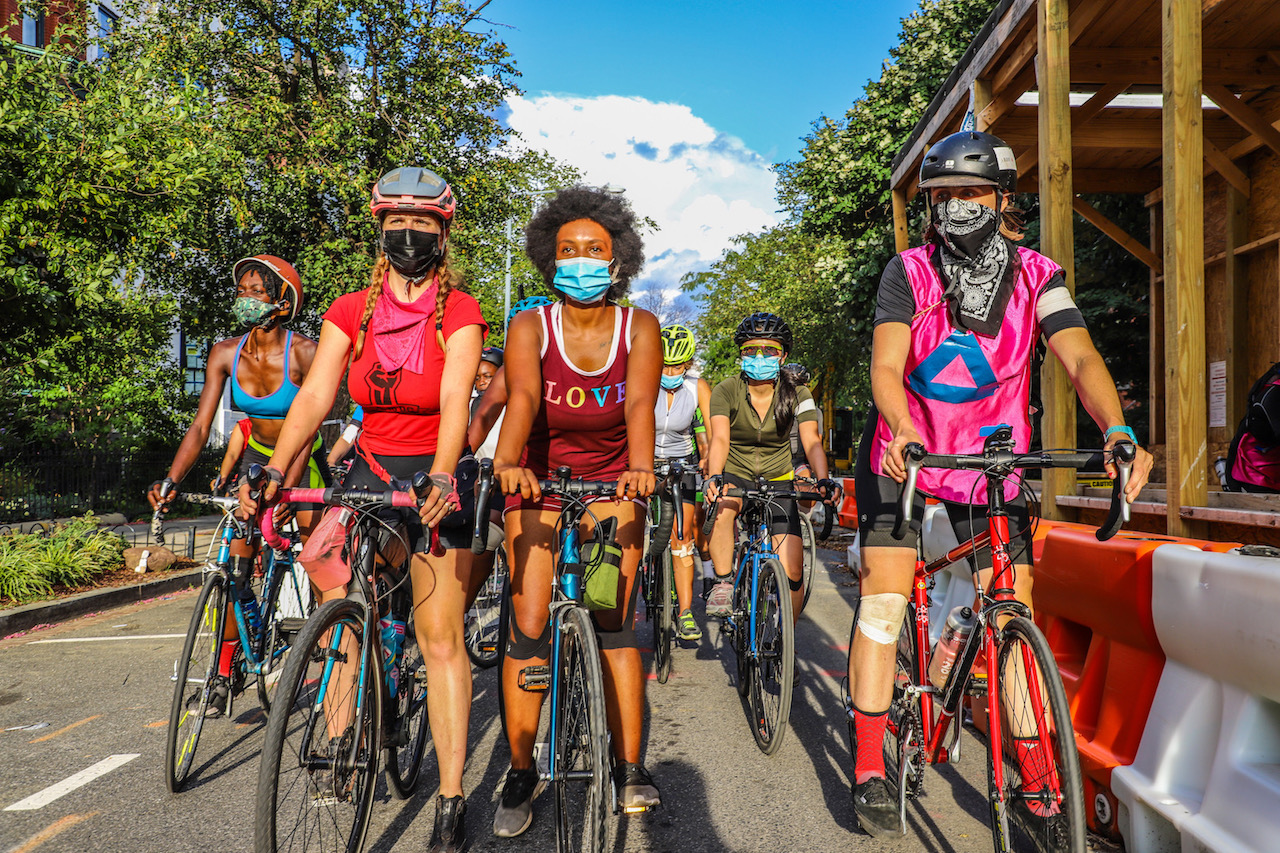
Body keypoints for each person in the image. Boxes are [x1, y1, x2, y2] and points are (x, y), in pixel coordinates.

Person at [846, 130, 1154, 837]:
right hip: (908, 453)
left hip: (990, 460)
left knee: (1011, 608)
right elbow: (888, 369)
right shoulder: (909, 272)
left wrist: (1115, 428)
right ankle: (868, 766)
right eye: (944, 195)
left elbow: (1078, 355)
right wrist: (903, 429)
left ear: (1000, 198)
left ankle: (1040, 788)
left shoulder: (1038, 275)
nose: (957, 207)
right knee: (886, 602)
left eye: (972, 194)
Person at [238, 166, 486, 853]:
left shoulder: (460, 311)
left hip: (432, 477)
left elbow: (456, 398)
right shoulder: (350, 310)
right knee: (343, 609)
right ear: (380, 230)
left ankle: (450, 796)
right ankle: (344, 737)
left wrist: (441, 473)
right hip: (367, 468)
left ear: (443, 232)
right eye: (396, 224)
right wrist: (275, 468)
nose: (409, 236)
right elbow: (315, 396)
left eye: (424, 225)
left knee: (440, 638)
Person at [490, 186, 662, 836]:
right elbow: (525, 397)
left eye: (595, 250)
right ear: (549, 260)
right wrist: (509, 461)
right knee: (530, 615)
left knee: (615, 616)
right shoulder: (531, 325)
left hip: (615, 477)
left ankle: (629, 767)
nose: (582, 260)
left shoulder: (638, 326)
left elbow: (641, 404)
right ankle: (520, 767)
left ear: (617, 259)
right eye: (569, 251)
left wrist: (640, 469)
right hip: (538, 479)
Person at [148, 254, 318, 718]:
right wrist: (171, 479)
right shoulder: (225, 352)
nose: (245, 298)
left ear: (283, 303)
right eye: (241, 290)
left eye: (256, 292)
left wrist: (287, 489)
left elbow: (307, 428)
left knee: (319, 559)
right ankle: (223, 674)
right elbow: (201, 426)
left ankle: (329, 644)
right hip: (256, 461)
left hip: (304, 457)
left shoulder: (305, 353)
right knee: (235, 570)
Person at [703, 312, 838, 624]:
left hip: (779, 479)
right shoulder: (725, 390)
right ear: (740, 354)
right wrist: (713, 476)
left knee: (792, 573)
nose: (759, 357)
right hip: (736, 473)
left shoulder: (798, 393)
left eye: (769, 350)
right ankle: (723, 583)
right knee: (723, 508)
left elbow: (811, 440)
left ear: (783, 356)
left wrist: (823, 479)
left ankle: (784, 644)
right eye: (750, 350)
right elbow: (720, 438)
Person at [653, 323, 712, 641]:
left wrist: (707, 462)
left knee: (682, 536)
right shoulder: (645, 381)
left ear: (687, 364)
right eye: (664, 364)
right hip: (643, 466)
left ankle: (686, 612)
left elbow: (708, 436)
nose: (670, 371)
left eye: (676, 365)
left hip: (682, 467)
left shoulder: (696, 387)